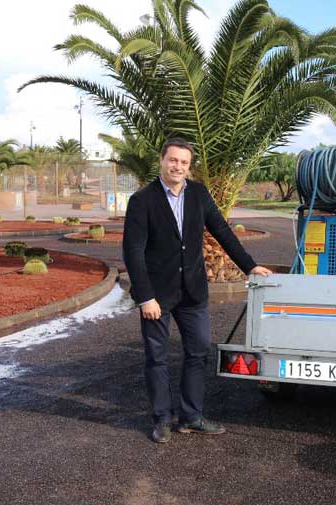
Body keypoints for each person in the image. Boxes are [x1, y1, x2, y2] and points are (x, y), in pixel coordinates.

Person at [123, 137, 273, 444]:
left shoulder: (199, 195)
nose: (178, 166)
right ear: (162, 160)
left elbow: (222, 231)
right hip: (158, 295)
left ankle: (191, 417)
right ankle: (162, 420)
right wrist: (145, 296)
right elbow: (133, 252)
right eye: (173, 160)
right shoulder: (142, 200)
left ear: (189, 167)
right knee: (157, 357)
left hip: (193, 291)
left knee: (199, 351)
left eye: (184, 162)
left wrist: (249, 266)